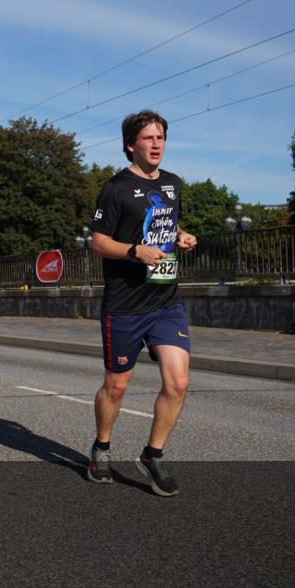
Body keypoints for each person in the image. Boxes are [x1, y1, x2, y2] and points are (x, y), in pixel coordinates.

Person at [86, 110, 198, 497]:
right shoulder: (115, 188)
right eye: (149, 138)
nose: (156, 144)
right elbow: (98, 242)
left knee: (178, 381)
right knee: (116, 388)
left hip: (166, 300)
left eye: (161, 138)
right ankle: (101, 447)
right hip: (125, 304)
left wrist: (182, 236)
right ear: (131, 145)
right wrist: (135, 251)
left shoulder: (173, 184)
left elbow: (169, 223)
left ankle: (153, 454)